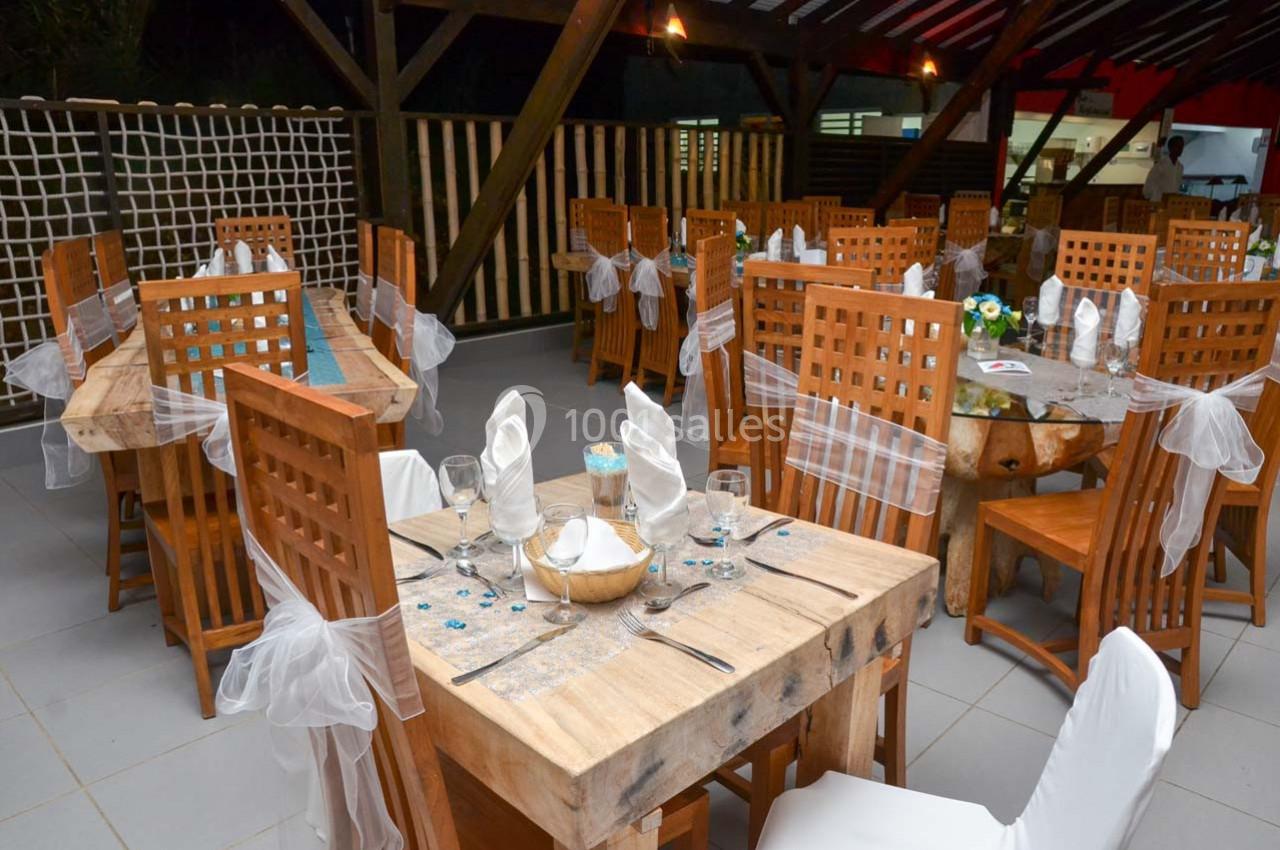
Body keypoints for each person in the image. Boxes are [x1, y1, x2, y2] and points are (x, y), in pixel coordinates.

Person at [1143, 135, 1184, 202]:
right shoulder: (1160, 165)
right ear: (1171, 147)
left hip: (1172, 203)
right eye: (1178, 146)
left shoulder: (1180, 167)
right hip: (1158, 202)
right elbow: (1148, 187)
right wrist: (1156, 196)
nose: (1180, 149)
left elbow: (1177, 187)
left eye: (1182, 146)